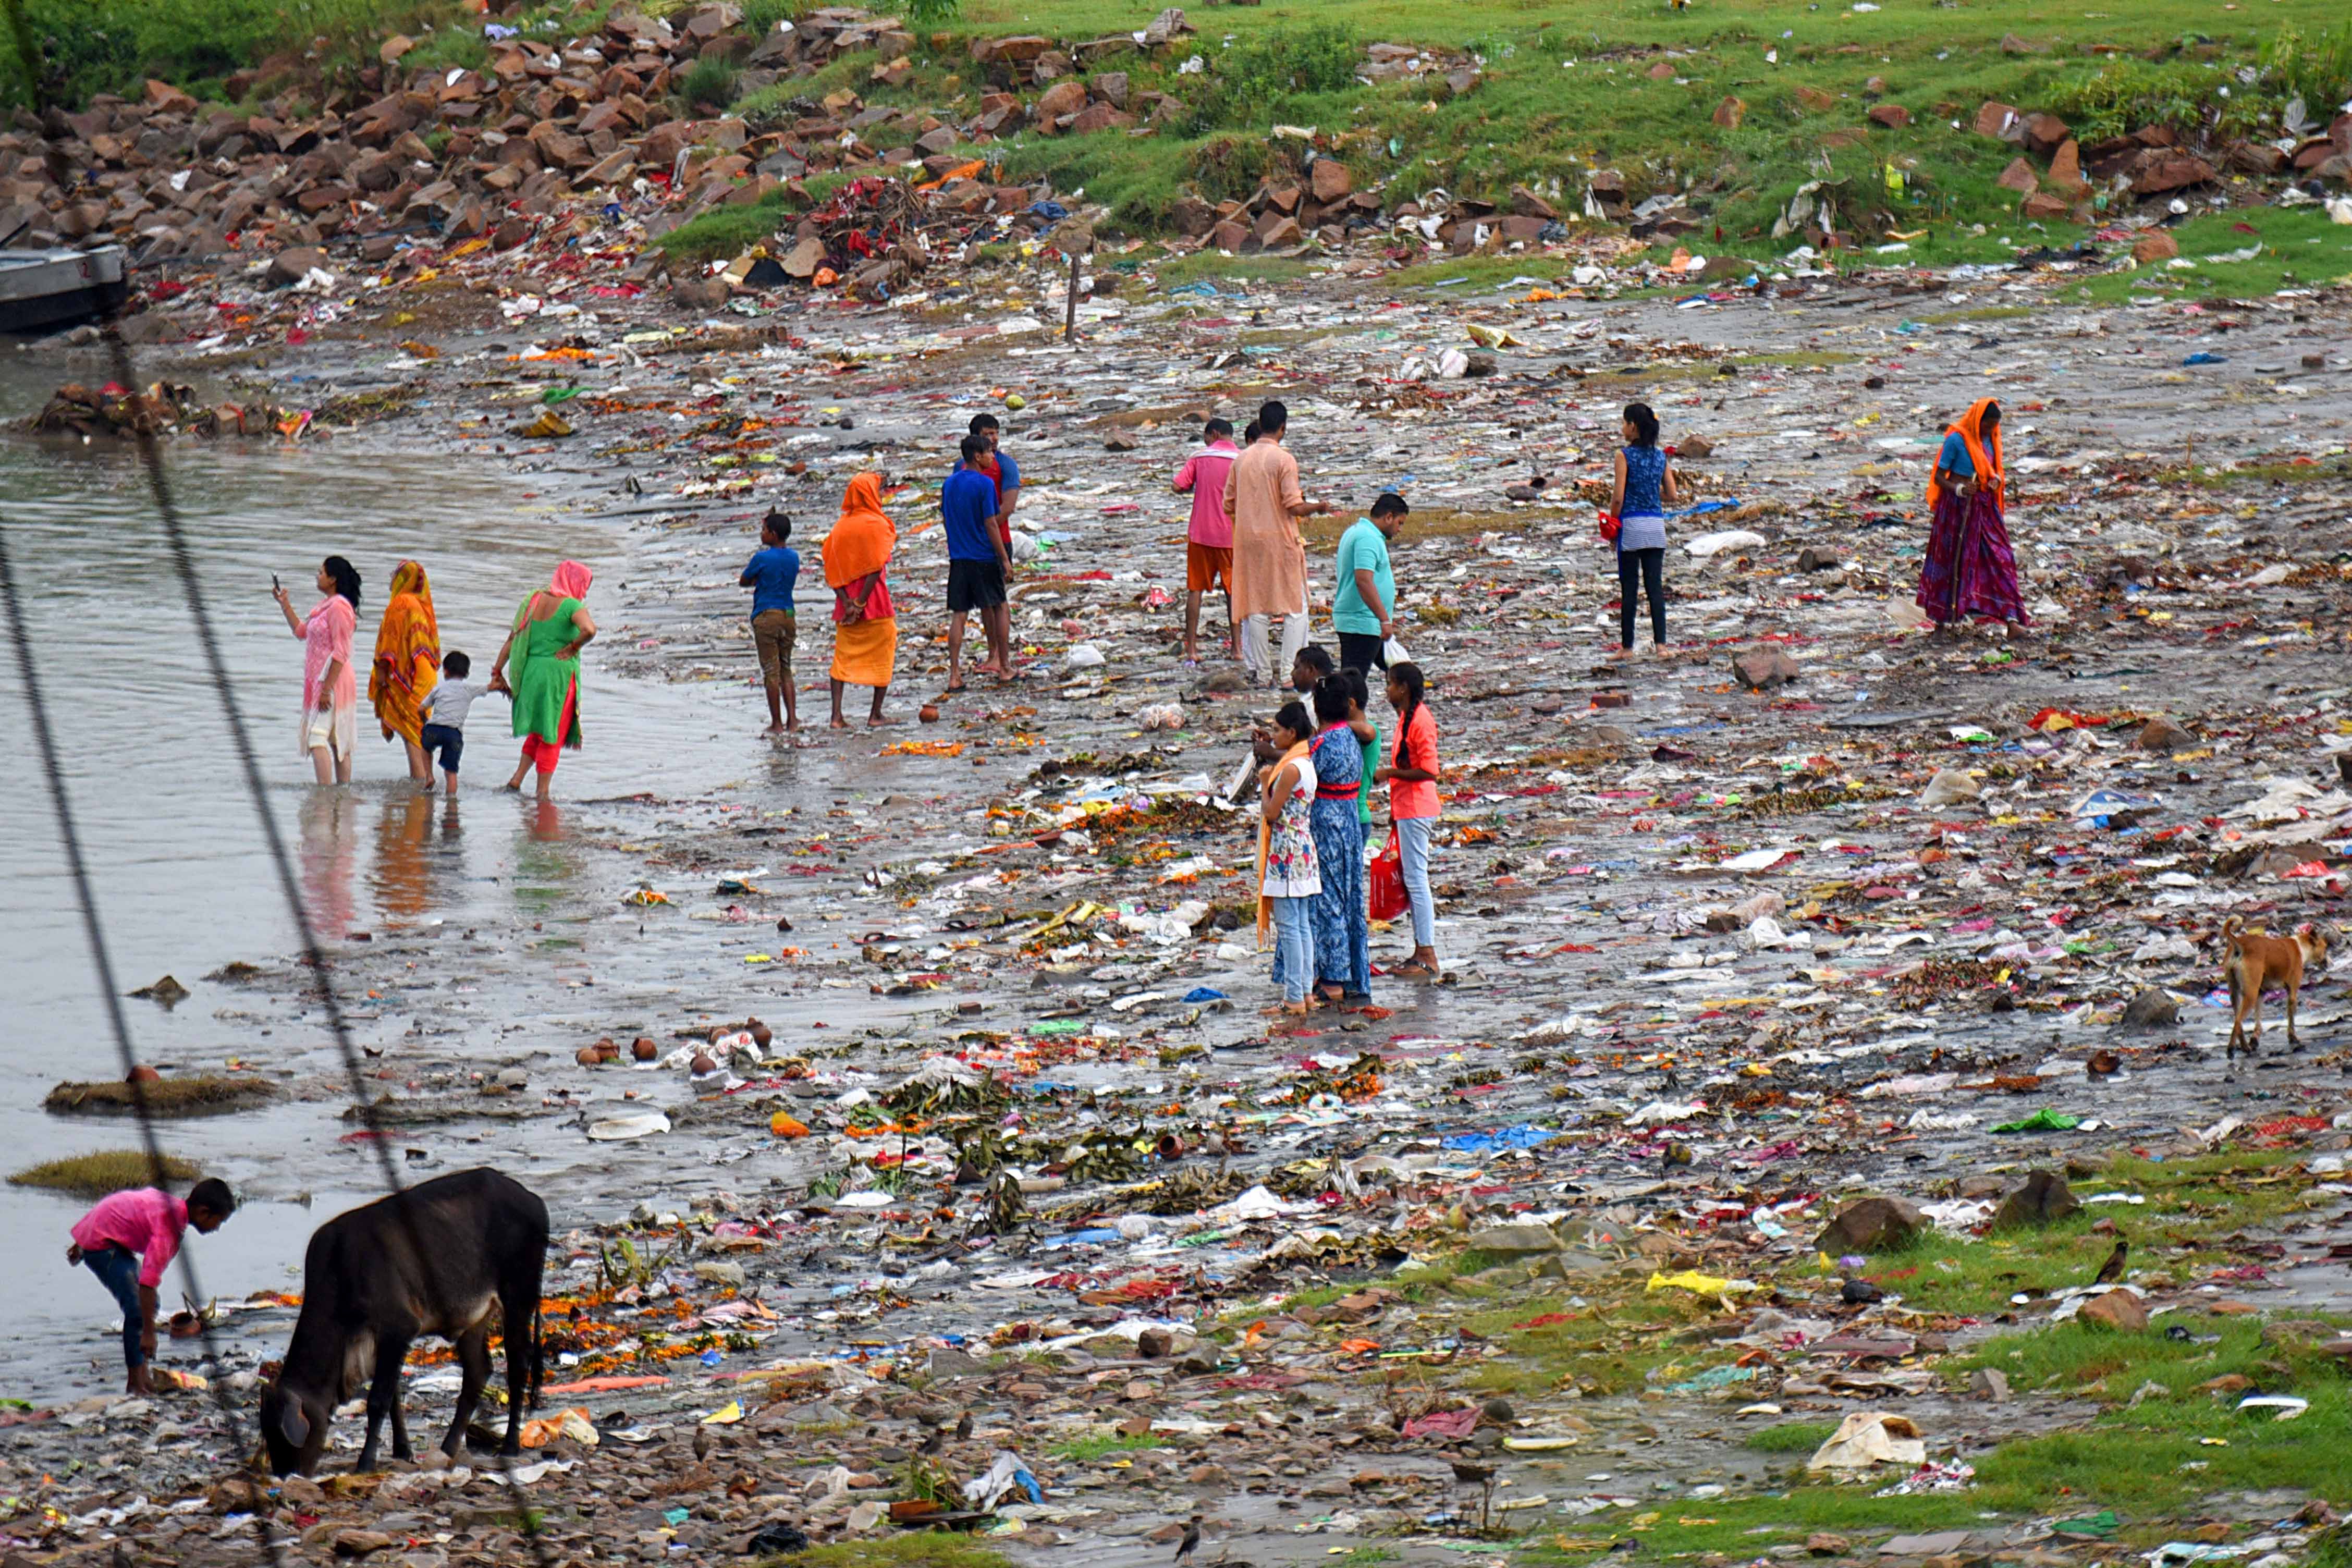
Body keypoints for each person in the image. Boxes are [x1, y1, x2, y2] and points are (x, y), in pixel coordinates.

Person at [67, 1177, 235, 1394]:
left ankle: (143, 1376)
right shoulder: (169, 1230)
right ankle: (135, 1385)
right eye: (218, 1222)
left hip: (106, 1233)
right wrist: (149, 1333)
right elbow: (148, 1282)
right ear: (204, 1212)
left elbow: (122, 1205)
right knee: (138, 1308)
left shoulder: (173, 1207)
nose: (217, 1228)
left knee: (149, 1305)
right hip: (102, 1244)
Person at [1223, 400, 1337, 687]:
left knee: (1257, 607)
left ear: (1260, 425)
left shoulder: (1241, 459)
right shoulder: (1284, 460)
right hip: (1280, 541)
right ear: (1283, 428)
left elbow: (1229, 504)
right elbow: (1293, 505)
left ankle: (1263, 674)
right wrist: (1318, 507)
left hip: (1249, 542)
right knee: (1295, 608)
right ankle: (1288, 673)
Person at [1918, 398, 2029, 633]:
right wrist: (1958, 489)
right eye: (1987, 425)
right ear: (1977, 421)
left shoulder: (1992, 440)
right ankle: (1942, 621)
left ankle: (2012, 621)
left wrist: (1995, 481)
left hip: (1985, 508)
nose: (1990, 430)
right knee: (1952, 561)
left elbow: (1993, 471)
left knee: (2001, 559)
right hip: (1958, 510)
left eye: (1993, 426)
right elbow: (1939, 476)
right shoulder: (1957, 440)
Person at [491, 561, 596, 801]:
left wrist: (497, 671)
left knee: (538, 731)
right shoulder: (571, 605)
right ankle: (543, 795)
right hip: (556, 677)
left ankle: (516, 781)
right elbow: (589, 630)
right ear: (576, 582)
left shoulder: (532, 601)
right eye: (585, 586)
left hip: (531, 674)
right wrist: (573, 647)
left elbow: (512, 639)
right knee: (552, 735)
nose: (586, 592)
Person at [1373, 661, 1442, 980]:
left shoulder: (1420, 721)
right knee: (1413, 878)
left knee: (1416, 880)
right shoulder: (1406, 718)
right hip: (1407, 808)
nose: (1387, 690)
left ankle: (1427, 953)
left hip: (1418, 808)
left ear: (1403, 688)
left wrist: (1390, 774)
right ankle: (1420, 950)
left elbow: (1430, 771)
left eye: (1390, 684)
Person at [1307, 674, 1371, 1003]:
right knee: (1349, 899)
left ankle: (1332, 979)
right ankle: (1353, 975)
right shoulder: (1348, 737)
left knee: (1328, 899)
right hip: (1348, 821)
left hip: (1327, 824)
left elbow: (1302, 778)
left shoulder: (1323, 744)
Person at [1255, 700, 1321, 1018]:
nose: (1274, 736)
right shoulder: (1306, 764)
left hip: (1287, 851)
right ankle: (1305, 993)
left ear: (1292, 733)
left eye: (1278, 731)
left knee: (1290, 926)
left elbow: (1271, 812)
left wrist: (1264, 784)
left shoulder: (1291, 768)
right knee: (1302, 924)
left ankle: (1294, 996)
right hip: (1303, 847)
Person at [274, 556, 361, 785]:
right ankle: (341, 798)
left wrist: (326, 689)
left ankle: (325, 794)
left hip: (333, 680)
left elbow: (341, 652)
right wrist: (285, 605)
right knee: (334, 738)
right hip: (320, 680)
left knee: (317, 737)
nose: (318, 576)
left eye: (321, 573)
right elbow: (302, 632)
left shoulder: (340, 608)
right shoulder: (324, 607)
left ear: (333, 579)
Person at [824, 472, 901, 728]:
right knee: (884, 653)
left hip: (844, 606)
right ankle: (875, 714)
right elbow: (876, 567)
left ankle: (836, 716)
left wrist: (847, 602)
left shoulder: (839, 528)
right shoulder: (877, 524)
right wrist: (861, 602)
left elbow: (832, 569)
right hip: (876, 602)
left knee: (842, 658)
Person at [942, 434, 1014, 690]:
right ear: (977, 456)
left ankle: (954, 675)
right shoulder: (984, 485)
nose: (993, 457)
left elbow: (946, 518)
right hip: (983, 556)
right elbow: (991, 523)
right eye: (988, 453)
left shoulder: (949, 484)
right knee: (1000, 607)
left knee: (959, 615)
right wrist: (1004, 559)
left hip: (959, 558)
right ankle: (1005, 667)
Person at [1610, 403, 1677, 659]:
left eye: (1624, 423)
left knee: (1629, 588)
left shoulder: (1623, 456)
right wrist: (1650, 494)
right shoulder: (1661, 457)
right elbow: (1672, 495)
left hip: (1632, 526)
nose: (1622, 428)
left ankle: (1627, 648)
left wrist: (1612, 525)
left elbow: (1618, 498)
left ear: (1633, 426)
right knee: (1655, 588)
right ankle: (1662, 646)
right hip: (1655, 526)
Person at [1173, 417, 1241, 664]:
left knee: (1196, 590)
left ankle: (1191, 647)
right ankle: (1237, 648)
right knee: (1233, 593)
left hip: (1201, 534)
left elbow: (1178, 485)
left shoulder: (1199, 457)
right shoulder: (1241, 460)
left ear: (1213, 434)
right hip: (1231, 536)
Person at [368, 559, 440, 783]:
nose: (391, 579)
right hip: (424, 672)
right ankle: (421, 780)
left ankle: (420, 783)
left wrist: (382, 674)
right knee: (415, 728)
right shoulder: (421, 604)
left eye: (395, 574)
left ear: (402, 578)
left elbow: (390, 642)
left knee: (411, 731)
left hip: (410, 675)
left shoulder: (400, 603)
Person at [966, 413, 1021, 671]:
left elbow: (1008, 508)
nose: (994, 439)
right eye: (988, 434)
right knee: (984, 602)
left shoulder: (1006, 466)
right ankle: (992, 654)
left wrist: (986, 527)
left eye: (996, 433)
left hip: (999, 540)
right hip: (975, 544)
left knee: (998, 600)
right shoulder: (963, 469)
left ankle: (1002, 657)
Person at [1333, 492, 1408, 675]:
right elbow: (1364, 581)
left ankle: (1410, 699)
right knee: (1353, 680)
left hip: (1364, 621)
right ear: (1388, 517)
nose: (1400, 530)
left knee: (1398, 669)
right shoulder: (1368, 538)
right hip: (1362, 622)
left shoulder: (1358, 532)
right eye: (1400, 523)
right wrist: (1384, 619)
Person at [740, 509, 801, 732]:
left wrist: (759, 579)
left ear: (773, 534)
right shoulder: (793, 557)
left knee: (771, 671)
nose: (761, 533)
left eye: (764, 530)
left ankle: (776, 723)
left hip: (766, 615)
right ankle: (793, 720)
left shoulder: (762, 558)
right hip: (788, 614)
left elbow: (744, 581)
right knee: (786, 668)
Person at [417, 649, 492, 794]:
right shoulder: (469, 689)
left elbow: (421, 708)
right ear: (467, 674)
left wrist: (425, 722)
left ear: (445, 671)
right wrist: (503, 687)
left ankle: (429, 776)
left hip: (434, 730)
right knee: (451, 772)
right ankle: (451, 804)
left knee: (426, 748)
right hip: (453, 735)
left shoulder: (438, 688)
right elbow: (491, 687)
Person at [1251, 644, 1335, 766]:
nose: (1292, 674)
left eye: (1296, 668)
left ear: (1311, 670)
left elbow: (1310, 755)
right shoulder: (1318, 699)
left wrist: (1272, 753)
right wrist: (1275, 740)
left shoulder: (1315, 706)